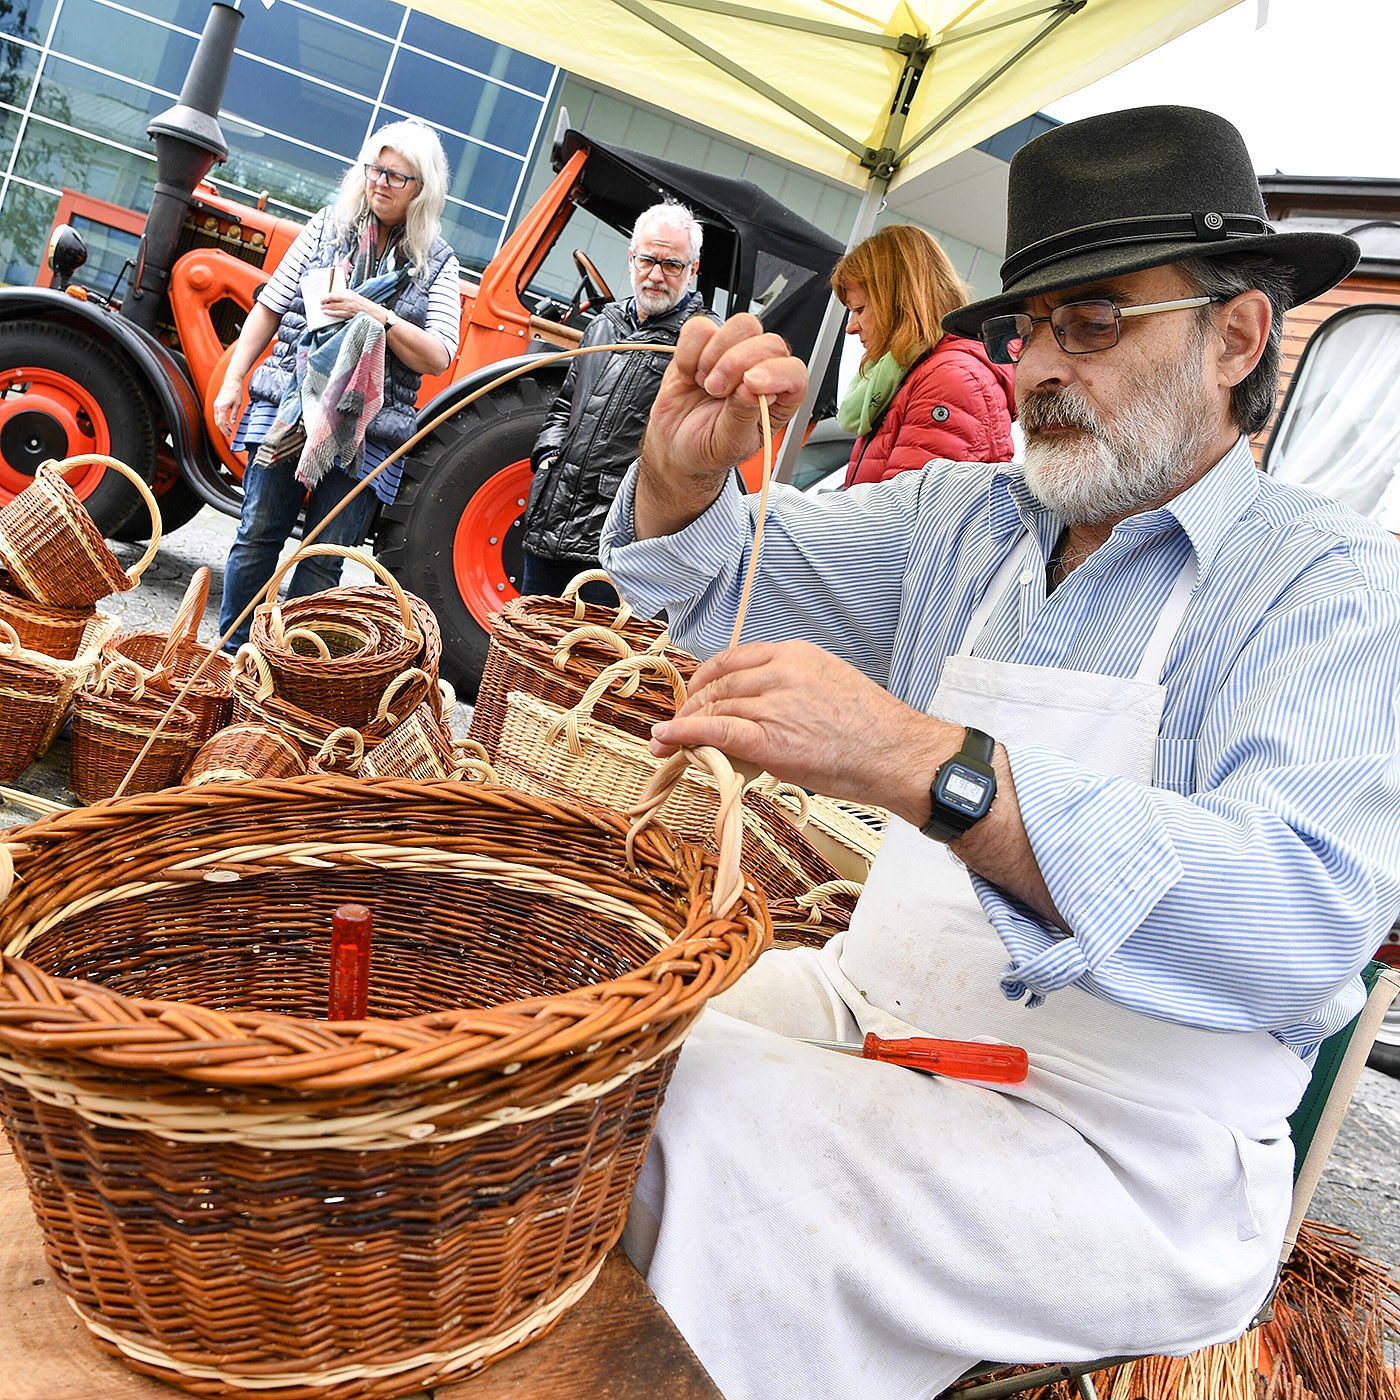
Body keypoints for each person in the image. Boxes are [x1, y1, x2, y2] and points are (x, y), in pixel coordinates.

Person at [598, 106, 1400, 1400]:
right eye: (1031, 327)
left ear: (1235, 336)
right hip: (882, 1013)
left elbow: (1298, 916)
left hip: (1133, 1147)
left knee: (729, 1135)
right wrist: (685, 477)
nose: (1037, 369)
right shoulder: (967, 518)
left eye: (1095, 323)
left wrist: (938, 767)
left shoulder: (1330, 588)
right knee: (600, 1060)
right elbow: (710, 585)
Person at [213, 121, 461, 649]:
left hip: (368, 431)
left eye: (398, 176)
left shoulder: (437, 262)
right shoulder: (327, 228)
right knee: (257, 535)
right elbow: (270, 307)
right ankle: (231, 659)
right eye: (376, 169)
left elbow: (440, 354)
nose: (382, 182)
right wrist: (233, 379)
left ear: (423, 189)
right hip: (288, 407)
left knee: (324, 562)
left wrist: (373, 312)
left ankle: (287, 675)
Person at [520, 201, 714, 602]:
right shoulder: (604, 324)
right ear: (631, 258)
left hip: (616, 547)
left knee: (589, 660)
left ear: (692, 270)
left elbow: (697, 456)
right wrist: (548, 459)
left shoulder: (701, 344)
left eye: (672, 265)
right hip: (550, 523)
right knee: (523, 649)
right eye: (647, 260)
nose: (656, 275)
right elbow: (564, 405)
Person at [833, 223, 1015, 485]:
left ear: (899, 303)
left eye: (859, 309)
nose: (851, 327)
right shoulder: (909, 373)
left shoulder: (947, 380)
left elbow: (902, 517)